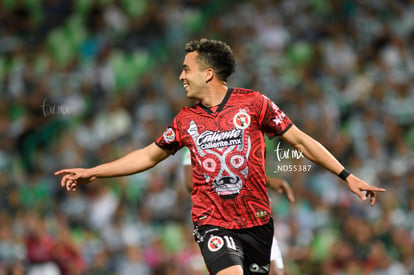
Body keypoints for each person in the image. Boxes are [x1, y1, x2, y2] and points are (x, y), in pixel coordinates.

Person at [55, 38, 386, 275]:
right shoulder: (185, 120)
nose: (181, 76)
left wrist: (348, 176)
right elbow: (148, 156)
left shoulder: (255, 104)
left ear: (208, 73)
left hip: (257, 222)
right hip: (211, 221)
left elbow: (300, 141)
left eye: (187, 69)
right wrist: (94, 171)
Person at [182, 147, 293, 275]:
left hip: (253, 218)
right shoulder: (193, 134)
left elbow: (255, 167)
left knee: (275, 270)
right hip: (220, 220)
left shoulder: (245, 129)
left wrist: (262, 185)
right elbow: (190, 182)